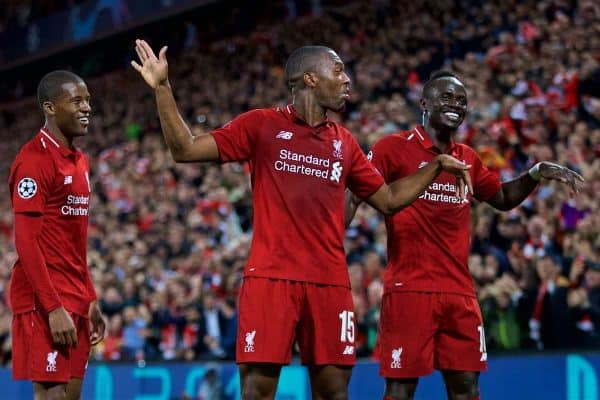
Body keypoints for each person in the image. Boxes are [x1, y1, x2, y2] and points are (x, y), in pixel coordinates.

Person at [131, 40, 472, 399]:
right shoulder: (261, 125)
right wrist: (163, 88)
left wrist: (435, 166)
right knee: (256, 392)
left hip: (330, 284)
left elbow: (387, 201)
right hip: (271, 279)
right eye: (338, 70)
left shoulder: (345, 143)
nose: (346, 80)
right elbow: (185, 149)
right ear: (310, 78)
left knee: (334, 393)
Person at [345, 70, 584, 400]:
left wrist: (535, 173)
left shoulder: (467, 157)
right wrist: (329, 232)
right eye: (447, 98)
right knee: (400, 389)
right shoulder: (393, 148)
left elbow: (500, 198)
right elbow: (357, 191)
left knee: (467, 390)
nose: (455, 105)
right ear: (425, 103)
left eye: (461, 101)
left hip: (460, 293)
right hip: (409, 289)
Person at [9, 70, 106, 400]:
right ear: (50, 107)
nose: (86, 108)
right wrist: (52, 308)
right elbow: (26, 241)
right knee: (51, 396)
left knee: (71, 396)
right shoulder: (33, 161)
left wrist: (89, 297)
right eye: (76, 101)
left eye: (88, 100)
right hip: (45, 299)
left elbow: (74, 241)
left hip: (75, 297)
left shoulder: (80, 162)